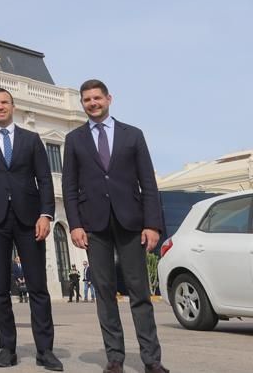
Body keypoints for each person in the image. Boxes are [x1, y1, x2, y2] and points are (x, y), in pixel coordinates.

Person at [63, 79, 169, 373]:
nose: (92, 103)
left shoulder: (132, 135)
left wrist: (152, 224)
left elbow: (148, 182)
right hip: (94, 225)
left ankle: (151, 359)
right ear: (82, 103)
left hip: (131, 221)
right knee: (105, 292)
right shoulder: (74, 140)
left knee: (139, 292)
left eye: (97, 97)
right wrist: (75, 224)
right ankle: (115, 358)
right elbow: (69, 186)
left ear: (109, 98)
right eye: (87, 99)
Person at [0, 88, 62, 371]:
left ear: (13, 106)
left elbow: (44, 179)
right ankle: (6, 348)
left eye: (4, 102)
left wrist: (46, 214)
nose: (0, 107)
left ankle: (45, 351)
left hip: (30, 219)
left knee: (38, 287)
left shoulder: (31, 140)